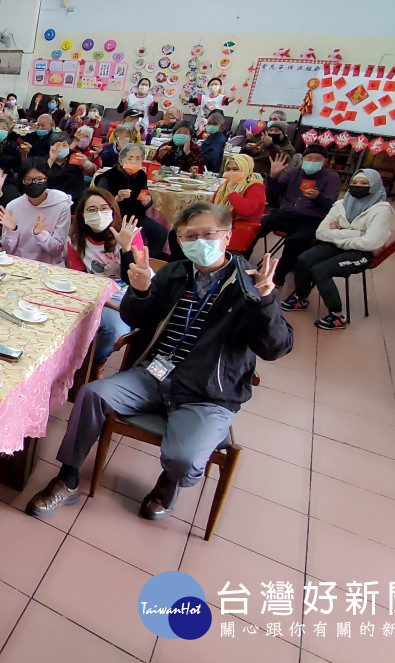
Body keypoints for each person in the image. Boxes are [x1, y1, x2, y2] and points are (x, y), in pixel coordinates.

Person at [25, 202, 292, 521]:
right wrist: (139, 294)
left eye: (207, 233)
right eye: (189, 236)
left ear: (227, 236)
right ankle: (67, 479)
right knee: (92, 395)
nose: (198, 242)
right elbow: (136, 318)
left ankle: (169, 482)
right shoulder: (176, 273)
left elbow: (276, 347)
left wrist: (266, 301)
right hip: (153, 376)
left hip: (207, 393)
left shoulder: (250, 284)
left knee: (183, 459)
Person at [281, 169, 393, 330]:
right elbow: (321, 232)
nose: (357, 186)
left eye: (364, 184)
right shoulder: (341, 204)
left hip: (361, 253)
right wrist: (355, 234)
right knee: (303, 260)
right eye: (354, 183)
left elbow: (370, 243)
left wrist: (338, 233)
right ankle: (301, 298)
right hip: (336, 246)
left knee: (321, 270)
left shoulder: (382, 210)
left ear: (375, 186)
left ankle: (337, 316)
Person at [65, 189, 145, 377]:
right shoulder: (75, 240)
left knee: (113, 330)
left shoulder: (129, 234)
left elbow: (132, 278)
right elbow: (81, 278)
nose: (98, 214)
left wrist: (126, 248)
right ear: (82, 214)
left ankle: (95, 363)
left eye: (103, 208)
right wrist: (105, 302)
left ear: (112, 210)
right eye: (91, 210)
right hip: (97, 293)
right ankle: (69, 362)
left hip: (129, 294)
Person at [253, 144, 341, 286]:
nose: (312, 161)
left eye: (317, 159)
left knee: (295, 241)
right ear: (303, 159)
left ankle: (277, 277)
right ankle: (241, 259)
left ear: (324, 161)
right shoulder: (294, 172)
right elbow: (274, 194)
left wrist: (318, 197)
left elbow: (330, 205)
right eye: (309, 158)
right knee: (258, 225)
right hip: (287, 214)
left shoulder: (331, 177)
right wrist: (274, 176)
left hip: (311, 219)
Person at [0, 158, 71, 265]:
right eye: (28, 180)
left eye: (39, 179)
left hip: (49, 267)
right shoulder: (13, 206)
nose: (34, 184)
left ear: (47, 179)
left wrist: (41, 234)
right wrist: (12, 230)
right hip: (18, 264)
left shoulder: (61, 205)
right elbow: (8, 250)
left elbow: (57, 249)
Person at [94, 143, 166, 256]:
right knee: (137, 235)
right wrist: (116, 198)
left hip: (138, 216)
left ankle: (151, 261)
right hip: (116, 218)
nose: (134, 162)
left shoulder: (141, 175)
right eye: (130, 158)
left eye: (138, 158)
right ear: (122, 160)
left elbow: (144, 196)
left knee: (160, 232)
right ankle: (131, 263)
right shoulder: (108, 177)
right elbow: (99, 202)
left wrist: (148, 200)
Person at [213, 154, 266, 224]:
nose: (231, 172)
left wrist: (231, 191)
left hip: (244, 227)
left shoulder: (255, 187)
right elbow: (213, 205)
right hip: (224, 225)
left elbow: (246, 210)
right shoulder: (225, 186)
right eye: (228, 169)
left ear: (245, 169)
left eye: (235, 169)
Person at [46, 131, 93, 201]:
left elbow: (92, 170)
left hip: (77, 196)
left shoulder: (75, 155)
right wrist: (52, 159)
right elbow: (40, 176)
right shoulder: (46, 160)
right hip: (55, 198)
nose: (61, 148)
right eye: (58, 146)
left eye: (64, 145)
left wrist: (87, 165)